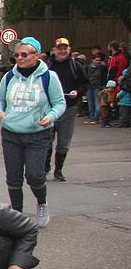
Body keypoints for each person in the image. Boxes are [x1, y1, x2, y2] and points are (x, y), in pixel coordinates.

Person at [0, 38, 65, 227]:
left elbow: (59, 103)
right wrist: (0, 114)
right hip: (11, 134)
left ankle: (41, 204)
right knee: (13, 176)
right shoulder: (9, 77)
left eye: (24, 54)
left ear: (37, 55)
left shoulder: (49, 77)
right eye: (17, 55)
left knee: (34, 175)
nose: (20, 58)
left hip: (38, 134)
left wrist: (50, 117)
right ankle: (17, 214)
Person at [44, 38, 87, 181]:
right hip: (50, 109)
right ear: (54, 50)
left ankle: (59, 170)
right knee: (47, 140)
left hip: (69, 108)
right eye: (60, 48)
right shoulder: (46, 66)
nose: (62, 51)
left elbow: (84, 83)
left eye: (65, 48)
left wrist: (77, 91)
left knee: (64, 142)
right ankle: (45, 168)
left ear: (69, 49)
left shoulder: (76, 65)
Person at [85, 52, 108, 123]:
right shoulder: (88, 67)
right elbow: (86, 77)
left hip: (98, 87)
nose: (97, 62)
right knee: (90, 103)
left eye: (99, 60)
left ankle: (96, 118)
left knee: (97, 103)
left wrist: (102, 85)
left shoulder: (103, 68)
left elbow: (104, 78)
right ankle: (91, 117)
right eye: (96, 60)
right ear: (92, 60)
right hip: (90, 86)